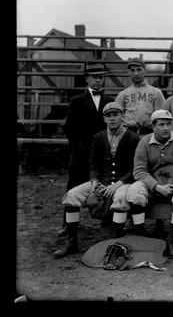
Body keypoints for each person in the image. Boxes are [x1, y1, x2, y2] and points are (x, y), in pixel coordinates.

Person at [53, 102, 140, 258]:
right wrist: (94, 180)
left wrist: (119, 184)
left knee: (120, 198)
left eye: (115, 115)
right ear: (104, 119)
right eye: (108, 116)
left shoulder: (132, 138)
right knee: (72, 195)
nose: (112, 119)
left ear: (122, 117)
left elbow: (136, 167)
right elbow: (93, 163)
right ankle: (72, 242)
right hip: (102, 181)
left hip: (124, 182)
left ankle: (116, 243)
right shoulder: (98, 137)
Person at [126, 109, 173, 259]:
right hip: (153, 184)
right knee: (134, 191)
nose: (166, 128)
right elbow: (139, 171)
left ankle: (171, 240)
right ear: (153, 126)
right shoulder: (144, 142)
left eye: (168, 124)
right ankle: (141, 238)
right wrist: (156, 187)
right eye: (161, 124)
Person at [61, 63, 113, 235]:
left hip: (103, 154)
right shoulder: (76, 101)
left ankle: (106, 220)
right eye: (94, 77)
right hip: (82, 154)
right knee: (74, 187)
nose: (98, 80)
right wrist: (79, 148)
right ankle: (68, 226)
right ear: (87, 79)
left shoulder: (109, 101)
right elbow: (69, 128)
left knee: (105, 185)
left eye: (100, 77)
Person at [115, 57, 165, 137]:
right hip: (128, 133)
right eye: (132, 70)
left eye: (139, 70)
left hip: (149, 133)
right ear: (128, 72)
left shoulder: (156, 92)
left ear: (144, 71)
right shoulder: (123, 94)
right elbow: (116, 117)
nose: (136, 73)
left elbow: (161, 117)